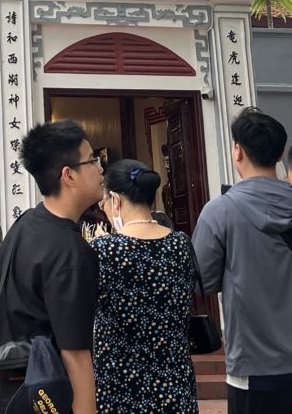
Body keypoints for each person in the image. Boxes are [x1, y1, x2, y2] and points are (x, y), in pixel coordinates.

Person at [0, 119, 103, 414]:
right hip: (51, 398)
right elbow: (75, 355)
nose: (101, 168)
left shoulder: (24, 224)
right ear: (69, 175)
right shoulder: (71, 252)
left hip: (15, 395)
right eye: (93, 160)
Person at [192, 107, 292, 414]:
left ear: (238, 151)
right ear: (279, 155)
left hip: (253, 366)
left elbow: (201, 282)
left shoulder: (220, 211)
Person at [91, 161, 197, 414]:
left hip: (119, 387)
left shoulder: (103, 250)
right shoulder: (180, 244)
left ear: (115, 199)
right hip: (175, 384)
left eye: (104, 203)